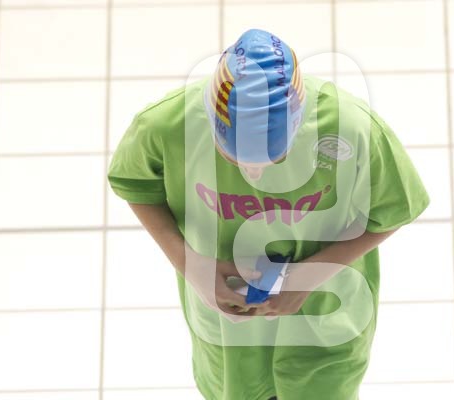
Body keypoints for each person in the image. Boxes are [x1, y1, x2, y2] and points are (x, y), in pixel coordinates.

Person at [107, 28, 430, 400]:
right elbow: (135, 186)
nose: (254, 174)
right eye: (234, 159)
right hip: (229, 332)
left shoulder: (351, 129)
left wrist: (309, 276)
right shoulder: (165, 126)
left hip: (324, 318)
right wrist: (191, 265)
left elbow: (393, 209)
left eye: (274, 158)